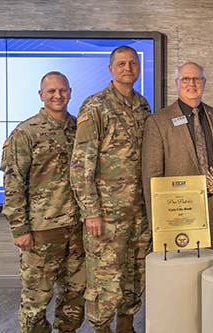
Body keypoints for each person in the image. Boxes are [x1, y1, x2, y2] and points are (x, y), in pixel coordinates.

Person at [70, 46, 151, 333]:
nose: (127, 68)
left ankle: (126, 326)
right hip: (106, 215)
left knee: (133, 275)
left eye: (132, 63)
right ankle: (102, 328)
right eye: (121, 63)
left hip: (139, 213)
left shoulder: (142, 106)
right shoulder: (95, 106)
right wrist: (91, 211)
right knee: (105, 279)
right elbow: (80, 166)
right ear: (110, 69)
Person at [0, 71, 85, 333]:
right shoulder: (25, 132)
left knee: (75, 294)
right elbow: (13, 182)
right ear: (41, 95)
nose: (58, 96)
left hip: (77, 228)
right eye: (51, 91)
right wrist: (20, 229)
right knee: (37, 298)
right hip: (42, 230)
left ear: (70, 92)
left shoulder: (79, 130)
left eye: (62, 90)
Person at [142, 61, 213, 252]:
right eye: (185, 79)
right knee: (184, 274)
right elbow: (151, 177)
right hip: (178, 215)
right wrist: (157, 224)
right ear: (177, 83)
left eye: (196, 78)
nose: (192, 84)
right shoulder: (158, 122)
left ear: (204, 82)